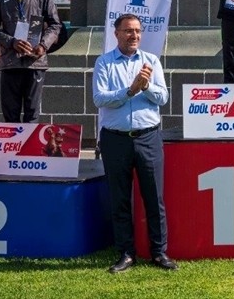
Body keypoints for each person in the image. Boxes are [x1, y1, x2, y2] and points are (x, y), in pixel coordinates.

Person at [93, 14, 177, 273]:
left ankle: (159, 252)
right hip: (115, 140)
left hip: (148, 137)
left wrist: (145, 85)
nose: (134, 36)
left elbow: (162, 97)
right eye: (128, 31)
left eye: (138, 31)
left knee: (154, 197)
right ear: (116, 33)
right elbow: (99, 98)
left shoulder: (151, 61)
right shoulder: (104, 63)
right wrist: (129, 91)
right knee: (120, 199)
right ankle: (126, 253)